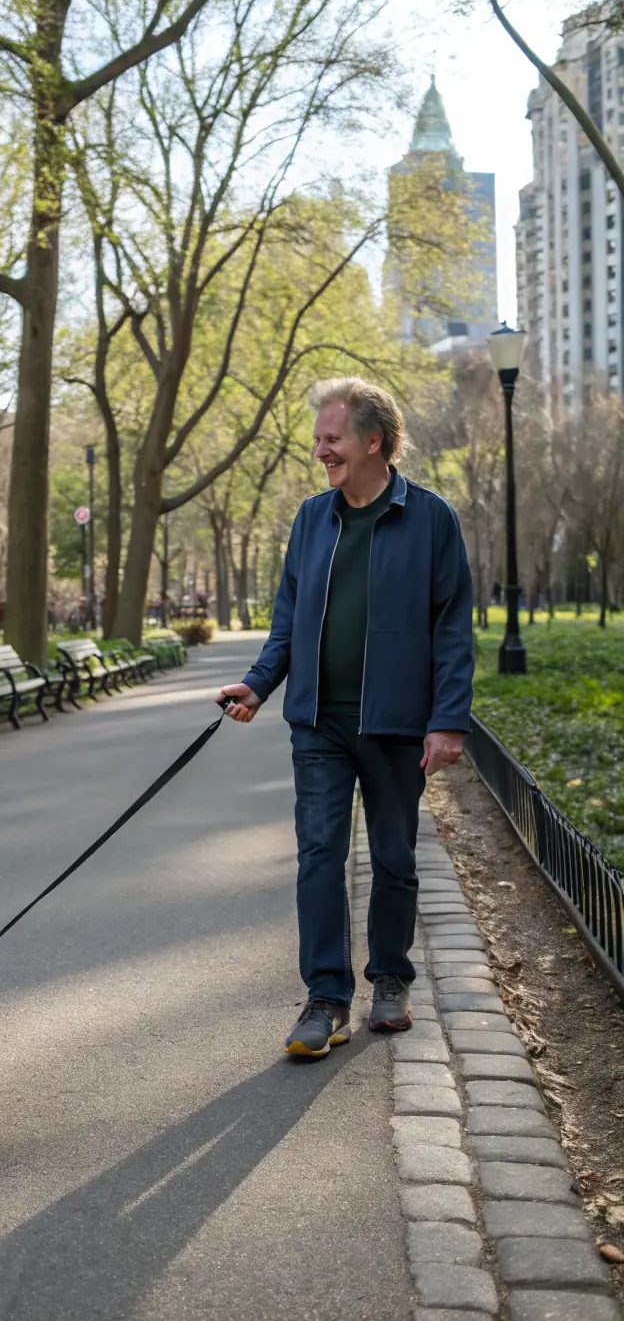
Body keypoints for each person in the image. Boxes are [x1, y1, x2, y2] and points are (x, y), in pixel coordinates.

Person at [219, 378, 473, 1059]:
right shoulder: (311, 518)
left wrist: (448, 719)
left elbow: (452, 627)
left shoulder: (430, 518)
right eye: (320, 437)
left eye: (332, 437)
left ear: (373, 441)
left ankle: (390, 977)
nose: (320, 448)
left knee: (393, 857)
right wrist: (257, 683)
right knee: (318, 858)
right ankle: (326, 997)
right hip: (320, 725)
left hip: (396, 724)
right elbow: (287, 620)